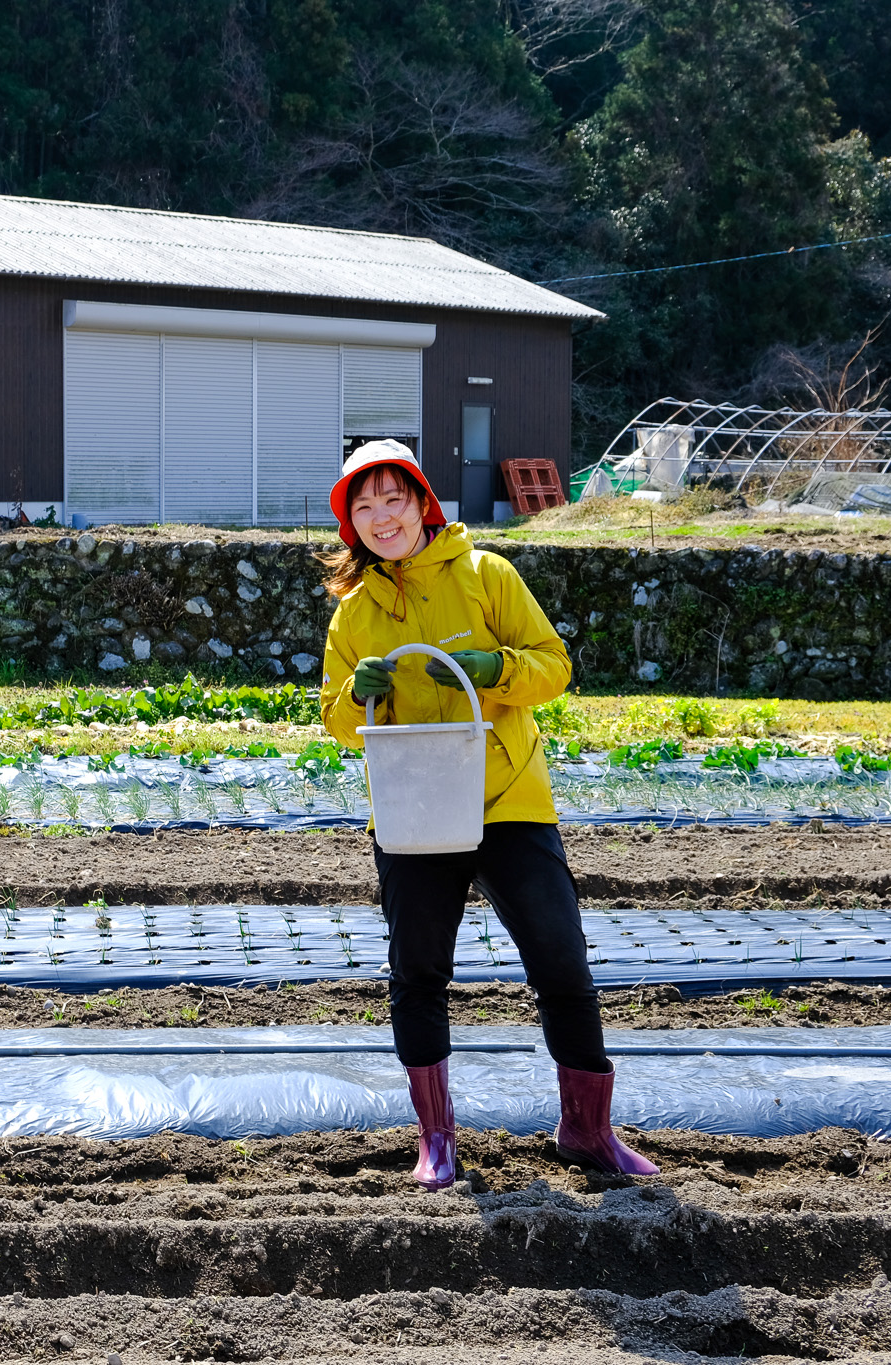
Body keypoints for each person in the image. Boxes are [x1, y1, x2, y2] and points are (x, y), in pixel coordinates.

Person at [317, 440, 657, 1189]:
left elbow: (554, 664)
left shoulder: (487, 575)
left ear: (422, 501)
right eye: (363, 506)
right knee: (419, 972)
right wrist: (356, 693)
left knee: (560, 959)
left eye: (392, 498)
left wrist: (495, 668)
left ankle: (587, 1128)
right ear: (351, 523)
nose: (381, 517)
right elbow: (338, 721)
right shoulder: (353, 616)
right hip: (412, 809)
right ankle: (435, 1138)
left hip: (508, 799)